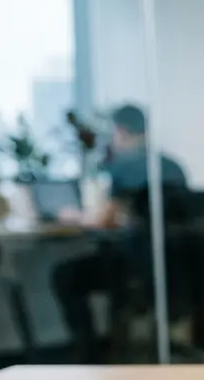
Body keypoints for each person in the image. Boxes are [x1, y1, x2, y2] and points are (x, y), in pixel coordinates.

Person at [51, 105, 189, 362]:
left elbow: (103, 219)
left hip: (135, 265)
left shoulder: (124, 166)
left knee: (65, 275)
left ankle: (88, 352)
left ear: (120, 131)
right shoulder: (172, 165)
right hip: (176, 264)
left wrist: (75, 216)